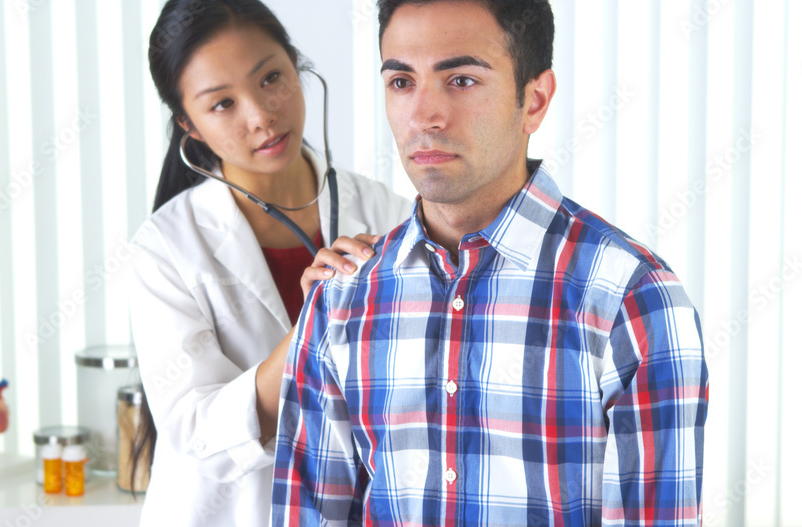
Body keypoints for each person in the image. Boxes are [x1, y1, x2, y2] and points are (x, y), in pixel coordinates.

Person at [272, 1, 709, 525]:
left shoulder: (633, 300)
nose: (423, 116)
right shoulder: (342, 295)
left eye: (460, 80)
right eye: (401, 82)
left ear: (535, 100)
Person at [127, 1, 411, 525]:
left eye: (271, 78)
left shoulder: (386, 212)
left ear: (298, 67)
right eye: (222, 104)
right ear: (189, 125)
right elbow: (196, 435)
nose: (261, 116)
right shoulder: (164, 249)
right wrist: (313, 328)